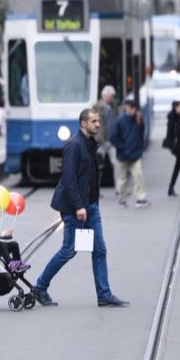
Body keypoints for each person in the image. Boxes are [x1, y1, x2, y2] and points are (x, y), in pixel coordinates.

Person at [31, 109, 129, 308]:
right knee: (69, 250)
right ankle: (39, 286)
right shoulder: (74, 146)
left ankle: (104, 294)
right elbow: (69, 180)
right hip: (75, 207)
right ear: (83, 124)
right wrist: (79, 206)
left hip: (91, 206)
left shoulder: (90, 144)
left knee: (99, 249)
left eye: (98, 120)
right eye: (93, 121)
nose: (98, 124)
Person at [108, 99, 151, 208]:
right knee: (122, 178)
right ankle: (122, 199)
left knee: (138, 175)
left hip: (135, 154)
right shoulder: (120, 121)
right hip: (123, 155)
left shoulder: (138, 119)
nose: (133, 111)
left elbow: (141, 134)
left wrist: (140, 147)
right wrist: (122, 147)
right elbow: (113, 137)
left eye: (134, 109)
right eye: (131, 109)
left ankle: (141, 199)